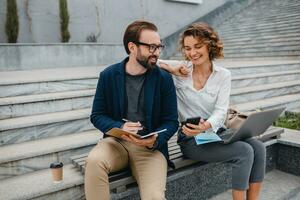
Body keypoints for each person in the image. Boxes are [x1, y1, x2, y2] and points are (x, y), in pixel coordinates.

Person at [159, 22, 266, 200]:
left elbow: (221, 111)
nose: (192, 53)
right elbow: (152, 60)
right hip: (191, 139)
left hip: (213, 133)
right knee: (244, 151)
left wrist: (207, 126)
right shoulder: (181, 69)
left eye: (198, 46)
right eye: (187, 48)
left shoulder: (223, 75)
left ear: (210, 45)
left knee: (259, 147)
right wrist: (170, 68)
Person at [84, 20, 178, 200]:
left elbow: (172, 121)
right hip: (116, 143)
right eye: (151, 47)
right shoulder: (108, 76)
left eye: (159, 47)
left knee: (154, 197)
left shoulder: (163, 79)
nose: (157, 52)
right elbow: (97, 115)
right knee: (94, 162)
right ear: (132, 47)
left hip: (149, 150)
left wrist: (154, 141)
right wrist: (119, 126)